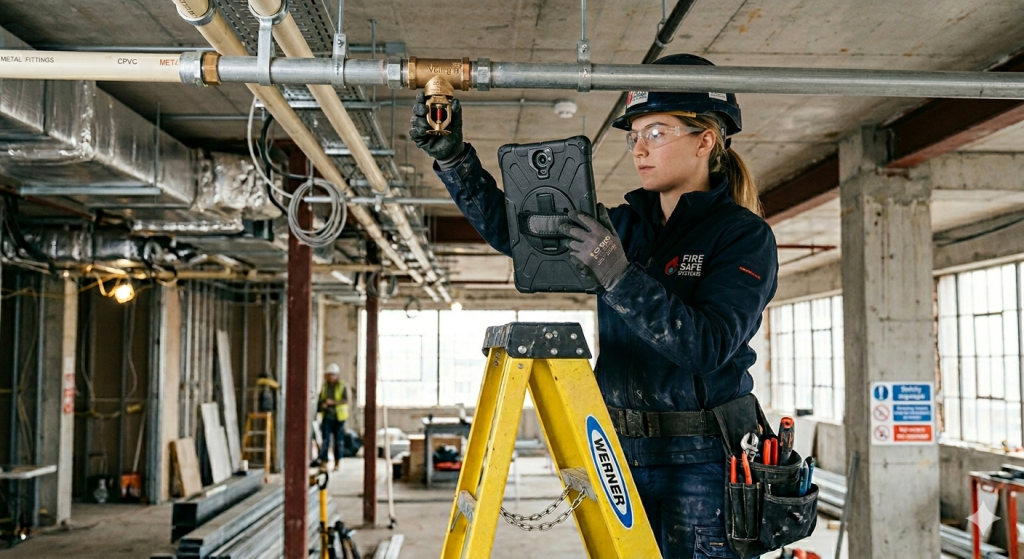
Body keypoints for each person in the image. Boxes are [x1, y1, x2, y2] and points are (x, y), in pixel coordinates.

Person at [410, 53, 778, 558]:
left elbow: (706, 346)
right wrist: (455, 162)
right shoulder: (626, 226)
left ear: (704, 141)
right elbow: (519, 234)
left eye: (656, 133)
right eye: (634, 137)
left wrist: (619, 276)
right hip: (619, 451)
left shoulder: (742, 236)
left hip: (701, 460)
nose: (639, 149)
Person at [313, 363, 349, 470]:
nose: (330, 377)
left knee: (339, 441)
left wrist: (331, 402)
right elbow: (320, 400)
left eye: (332, 375)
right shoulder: (325, 387)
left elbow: (345, 400)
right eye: (329, 375)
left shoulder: (342, 386)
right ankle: (324, 461)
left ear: (337, 375)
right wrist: (322, 405)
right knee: (325, 440)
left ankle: (337, 462)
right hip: (327, 417)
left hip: (339, 418)